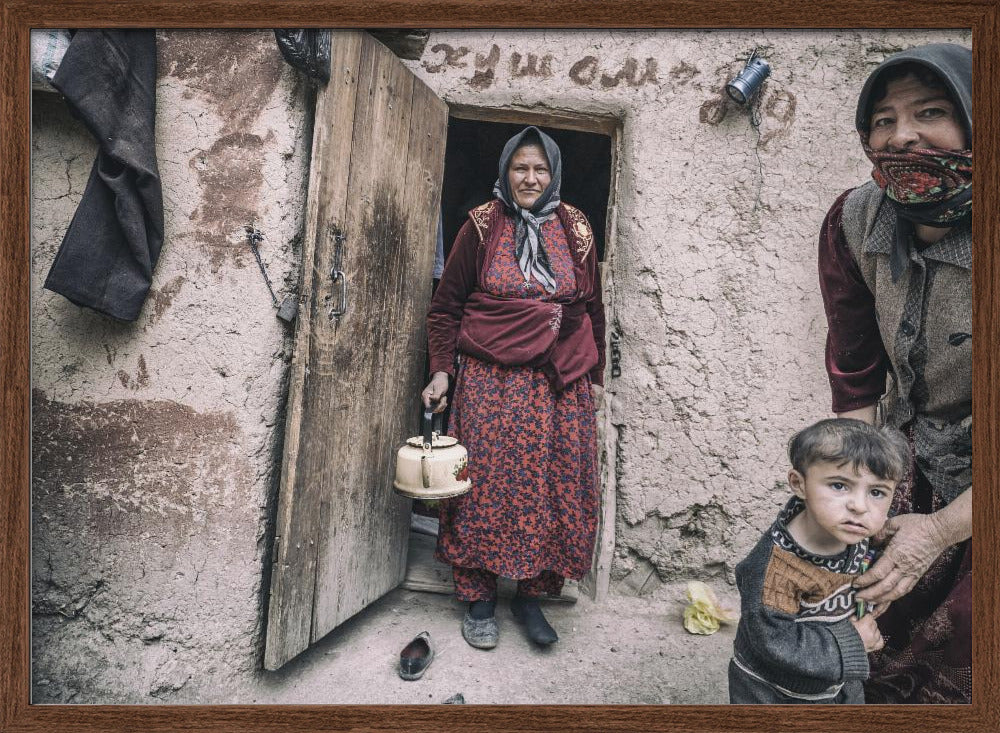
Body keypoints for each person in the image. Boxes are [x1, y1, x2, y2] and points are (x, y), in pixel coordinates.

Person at [818, 43, 972, 703]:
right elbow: (855, 376)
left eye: (931, 111)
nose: (902, 134)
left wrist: (937, 531)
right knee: (828, 585)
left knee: (964, 634)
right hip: (907, 445)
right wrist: (854, 494)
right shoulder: (854, 221)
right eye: (883, 119)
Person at [422, 126, 605, 650]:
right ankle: (479, 596)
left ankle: (531, 595)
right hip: (490, 384)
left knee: (553, 488)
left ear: (554, 174)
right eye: (520, 168)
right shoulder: (482, 225)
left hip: (557, 386)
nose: (530, 178)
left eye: (540, 169)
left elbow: (591, 308)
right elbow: (447, 306)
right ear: (505, 171)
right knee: (484, 485)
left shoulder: (576, 227)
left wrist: (593, 379)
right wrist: (441, 371)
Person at [729, 418, 910, 704]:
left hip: (836, 684)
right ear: (798, 484)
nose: (859, 506)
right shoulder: (776, 569)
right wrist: (852, 643)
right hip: (773, 692)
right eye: (839, 486)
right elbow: (773, 640)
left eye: (876, 492)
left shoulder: (854, 532)